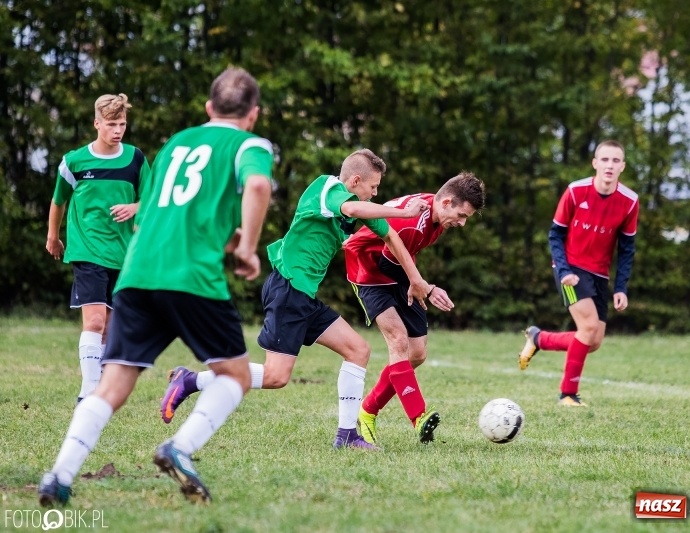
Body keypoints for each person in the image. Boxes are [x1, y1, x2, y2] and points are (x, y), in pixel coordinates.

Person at [38, 67, 275, 506]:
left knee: (113, 383)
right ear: (253, 114)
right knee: (236, 374)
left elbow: (166, 212)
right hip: (190, 277)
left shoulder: (176, 143)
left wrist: (230, 237)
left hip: (138, 271)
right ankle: (179, 448)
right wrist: (248, 247)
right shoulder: (250, 144)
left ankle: (58, 475)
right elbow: (258, 184)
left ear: (208, 108)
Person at [160, 149, 435, 451]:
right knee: (277, 376)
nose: (376, 193)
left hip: (304, 297)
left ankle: (347, 435)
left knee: (358, 350)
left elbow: (390, 237)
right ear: (355, 181)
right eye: (373, 187)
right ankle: (191, 381)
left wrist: (416, 279)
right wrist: (403, 212)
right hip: (288, 291)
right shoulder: (327, 189)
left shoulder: (356, 204)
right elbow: (355, 211)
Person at [347, 172, 486, 446]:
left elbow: (402, 257)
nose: (462, 222)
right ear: (446, 202)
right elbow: (387, 263)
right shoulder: (413, 223)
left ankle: (367, 410)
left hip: (400, 271)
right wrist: (426, 286)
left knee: (417, 353)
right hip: (369, 272)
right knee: (398, 341)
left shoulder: (435, 215)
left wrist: (419, 282)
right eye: (461, 215)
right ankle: (418, 417)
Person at [518, 140, 638, 407]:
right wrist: (563, 271)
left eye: (615, 161)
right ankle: (567, 394)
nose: (609, 165)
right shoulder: (575, 191)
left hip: (599, 275)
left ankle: (539, 338)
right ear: (595, 163)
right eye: (604, 159)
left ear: (623, 166)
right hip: (570, 270)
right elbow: (555, 234)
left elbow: (627, 249)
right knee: (588, 328)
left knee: (593, 341)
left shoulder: (629, 202)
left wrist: (620, 287)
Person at [45, 93, 149, 402]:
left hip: (123, 254)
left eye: (122, 124)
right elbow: (58, 201)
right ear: (97, 124)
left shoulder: (135, 159)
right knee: (94, 321)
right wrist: (53, 236)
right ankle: (88, 392)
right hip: (87, 250)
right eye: (112, 124)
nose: (118, 130)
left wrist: (134, 208)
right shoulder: (75, 161)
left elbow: (153, 201)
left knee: (110, 330)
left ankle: (101, 388)